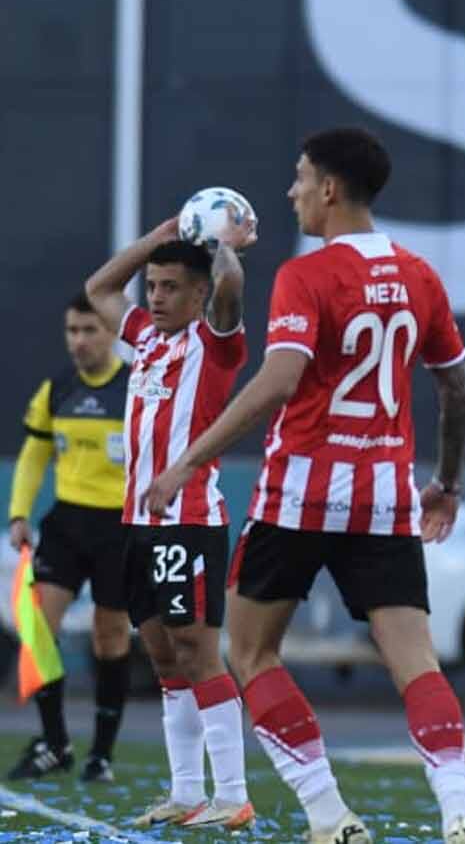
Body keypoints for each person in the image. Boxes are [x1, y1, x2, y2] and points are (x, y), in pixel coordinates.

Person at [144, 127, 465, 844]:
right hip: (386, 496)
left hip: (299, 493)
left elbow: (278, 381)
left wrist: (187, 462)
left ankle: (329, 815)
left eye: (300, 178)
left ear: (329, 188)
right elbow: (456, 389)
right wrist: (446, 482)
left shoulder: (308, 274)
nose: (292, 192)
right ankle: (460, 813)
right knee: (414, 661)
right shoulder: (420, 274)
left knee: (251, 652)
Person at [84, 216, 255, 829]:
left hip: (190, 521)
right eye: (152, 286)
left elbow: (231, 292)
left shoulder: (213, 343)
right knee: (160, 657)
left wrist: (224, 251)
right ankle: (187, 792)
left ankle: (232, 794)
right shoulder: (147, 342)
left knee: (197, 651)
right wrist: (159, 239)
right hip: (137, 523)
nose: (154, 297)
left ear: (198, 295)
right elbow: (101, 289)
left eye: (169, 287)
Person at [6, 292, 132, 783]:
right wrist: (19, 513)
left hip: (119, 526)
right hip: (67, 523)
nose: (78, 342)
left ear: (112, 333)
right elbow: (34, 455)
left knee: (110, 634)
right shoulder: (56, 388)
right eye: (71, 332)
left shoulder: (134, 389)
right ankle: (55, 742)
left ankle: (101, 754)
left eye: (89, 331)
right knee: (36, 628)